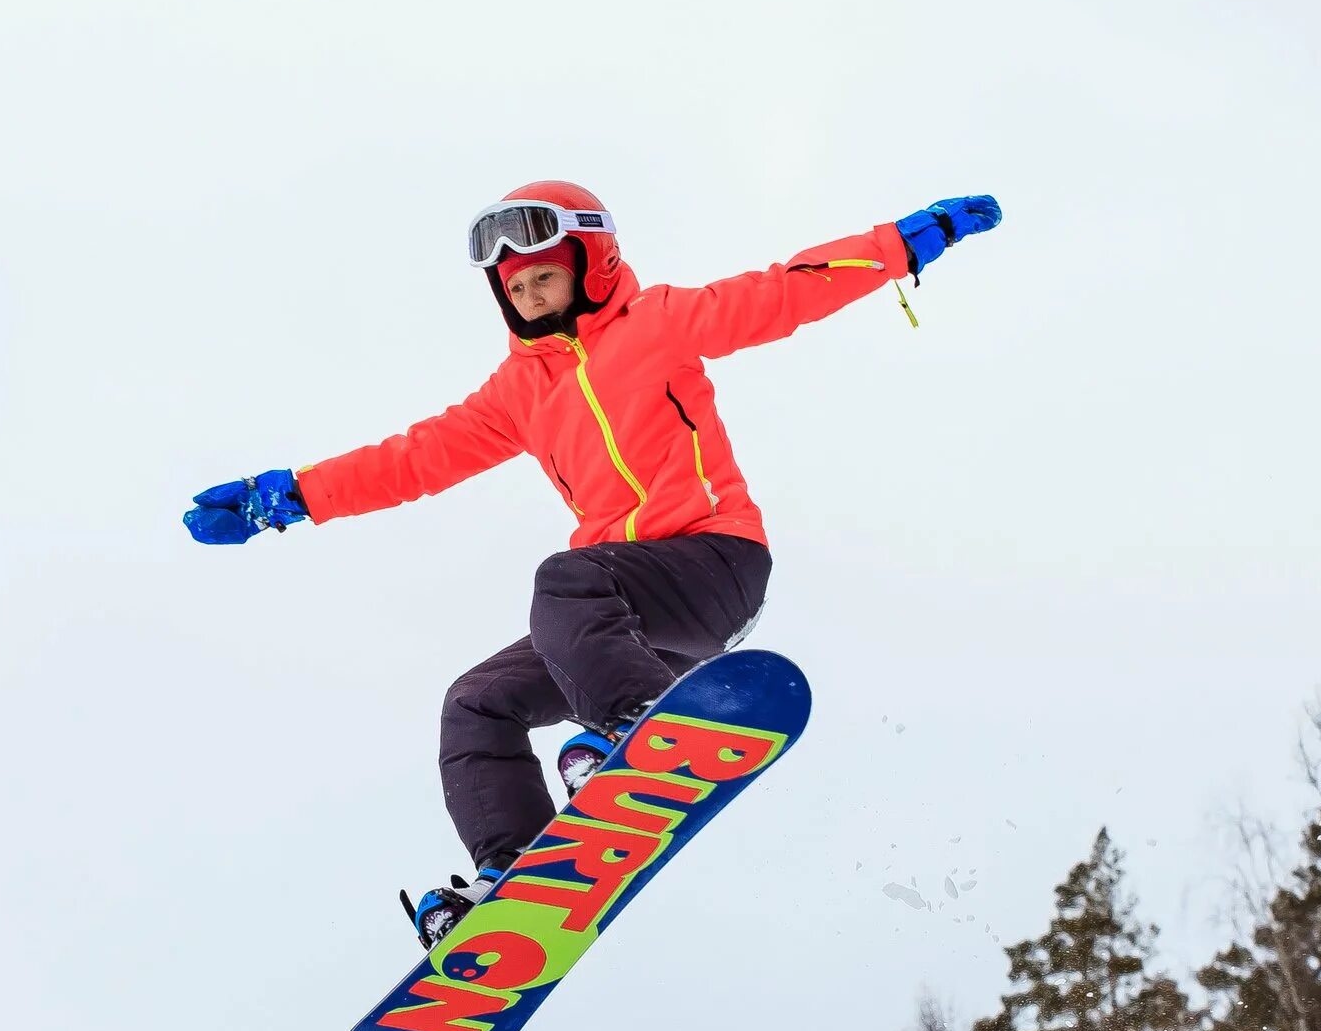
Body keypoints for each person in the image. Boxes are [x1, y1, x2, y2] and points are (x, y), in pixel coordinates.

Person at [184, 182, 1004, 941]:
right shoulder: (517, 393)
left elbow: (785, 290)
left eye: (543, 278)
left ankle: (642, 731)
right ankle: (511, 876)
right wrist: (286, 496)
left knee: (566, 577)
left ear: (590, 263)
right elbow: (410, 460)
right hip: (623, 624)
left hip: (714, 561)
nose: (530, 297)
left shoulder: (659, 324)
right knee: (477, 704)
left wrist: (903, 243)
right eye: (515, 289)